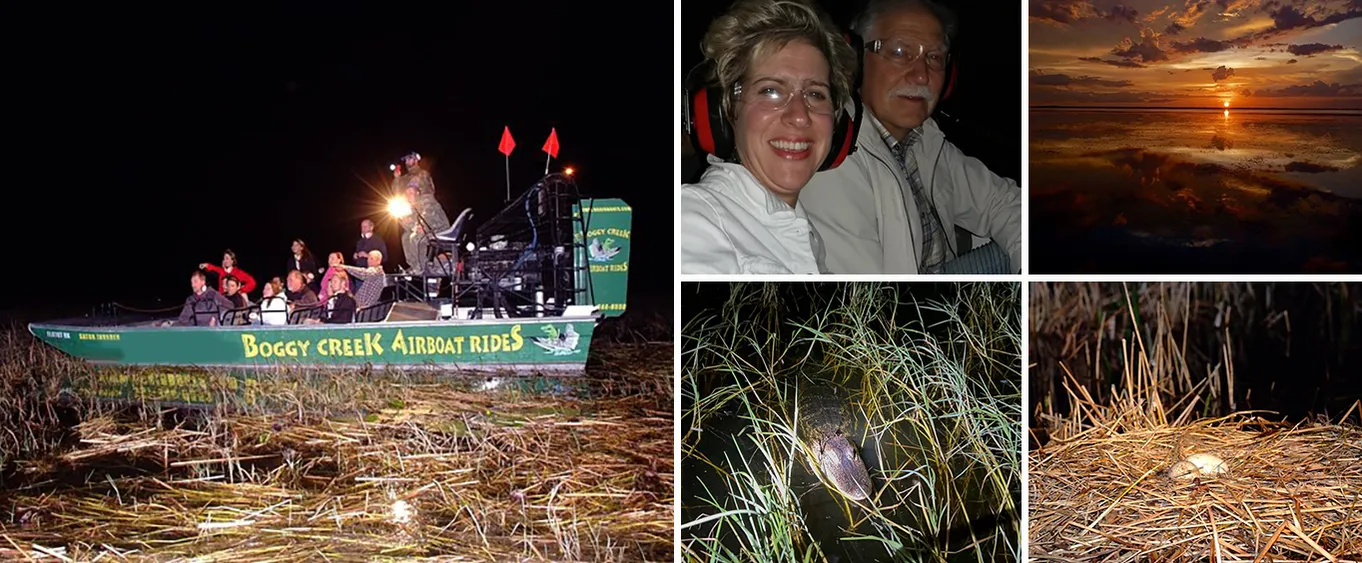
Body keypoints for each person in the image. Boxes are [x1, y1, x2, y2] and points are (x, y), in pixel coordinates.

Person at [798, 0, 1021, 274]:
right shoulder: (833, 161)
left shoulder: (923, 139)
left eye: (934, 57)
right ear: (853, 62)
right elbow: (869, 305)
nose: (921, 75)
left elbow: (1003, 203)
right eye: (900, 51)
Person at [680, 0, 857, 274]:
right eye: (770, 91)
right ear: (724, 110)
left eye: (815, 94)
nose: (800, 115)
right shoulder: (694, 219)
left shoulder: (808, 239)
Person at [392, 152, 452, 274]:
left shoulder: (423, 177)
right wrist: (397, 179)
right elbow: (397, 192)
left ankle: (420, 267)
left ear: (416, 159)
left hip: (435, 225)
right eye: (406, 160)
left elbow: (428, 205)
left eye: (410, 159)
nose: (407, 162)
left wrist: (421, 226)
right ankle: (415, 266)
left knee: (416, 237)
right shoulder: (405, 182)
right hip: (419, 217)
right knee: (405, 236)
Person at [163, 270, 236, 327]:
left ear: (203, 282)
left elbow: (230, 307)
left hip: (214, 332)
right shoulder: (190, 300)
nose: (193, 285)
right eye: (191, 283)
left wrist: (217, 322)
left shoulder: (214, 295)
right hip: (195, 333)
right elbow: (183, 320)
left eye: (195, 282)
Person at [353, 218, 387, 294]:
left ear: (371, 227)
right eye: (362, 227)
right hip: (359, 275)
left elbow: (384, 257)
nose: (363, 229)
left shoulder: (378, 241)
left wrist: (368, 256)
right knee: (359, 299)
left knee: (371, 300)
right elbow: (357, 260)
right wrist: (355, 257)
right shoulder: (359, 242)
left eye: (365, 227)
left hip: (372, 276)